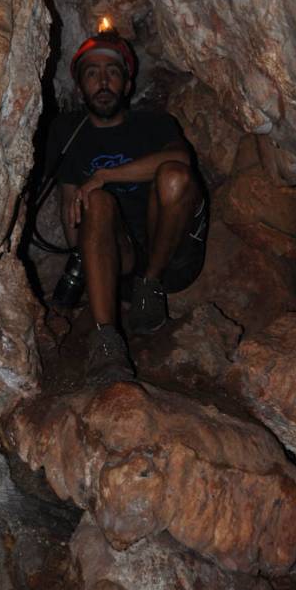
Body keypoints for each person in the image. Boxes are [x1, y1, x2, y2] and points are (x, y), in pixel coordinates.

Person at [50, 30, 207, 381]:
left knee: (174, 176)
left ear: (127, 82)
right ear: (79, 85)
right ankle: (107, 343)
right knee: (96, 201)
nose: (103, 81)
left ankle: (150, 288)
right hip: (117, 260)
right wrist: (86, 261)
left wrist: (106, 174)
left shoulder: (153, 124)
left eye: (112, 72)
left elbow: (181, 160)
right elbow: (68, 204)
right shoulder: (68, 132)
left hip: (172, 255)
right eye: (92, 73)